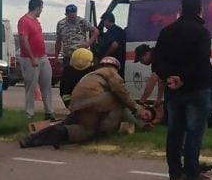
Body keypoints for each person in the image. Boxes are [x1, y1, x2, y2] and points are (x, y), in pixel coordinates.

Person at [155, 0, 212, 180]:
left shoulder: (166, 32)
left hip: (173, 90)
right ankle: (192, 173)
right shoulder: (202, 33)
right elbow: (201, 61)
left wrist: (170, 77)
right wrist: (183, 78)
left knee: (175, 131)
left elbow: (158, 60)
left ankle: (175, 172)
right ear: (199, 10)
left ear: (181, 10)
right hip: (197, 87)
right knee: (194, 131)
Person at [19, 56, 151, 148]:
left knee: (74, 125)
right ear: (116, 66)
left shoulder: (91, 75)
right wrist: (137, 111)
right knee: (90, 129)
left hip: (77, 102)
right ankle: (96, 131)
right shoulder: (113, 74)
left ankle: (32, 139)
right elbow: (122, 95)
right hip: (94, 101)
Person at [17, 0, 54, 120]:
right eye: (41, 8)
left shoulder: (36, 22)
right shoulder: (24, 21)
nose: (41, 11)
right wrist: (32, 58)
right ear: (37, 8)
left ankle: (49, 111)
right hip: (30, 58)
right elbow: (23, 40)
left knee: (47, 84)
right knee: (31, 86)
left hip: (42, 56)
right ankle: (29, 114)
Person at [55, 4, 99, 101]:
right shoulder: (61, 24)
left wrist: (88, 43)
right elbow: (58, 41)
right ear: (66, 14)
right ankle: (71, 101)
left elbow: (95, 31)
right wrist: (56, 56)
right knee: (68, 81)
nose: (73, 17)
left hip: (81, 56)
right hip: (68, 56)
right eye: (70, 15)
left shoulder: (82, 21)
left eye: (74, 14)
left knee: (82, 80)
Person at [134, 44, 165, 110]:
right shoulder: (156, 56)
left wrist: (141, 102)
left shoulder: (156, 55)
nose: (142, 63)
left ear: (147, 53)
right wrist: (159, 99)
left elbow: (152, 82)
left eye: (141, 60)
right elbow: (161, 79)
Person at [98, 12, 126, 77]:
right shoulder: (118, 30)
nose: (103, 23)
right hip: (119, 61)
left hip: (114, 61)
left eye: (103, 21)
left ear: (107, 20)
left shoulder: (112, 31)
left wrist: (105, 57)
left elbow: (114, 45)